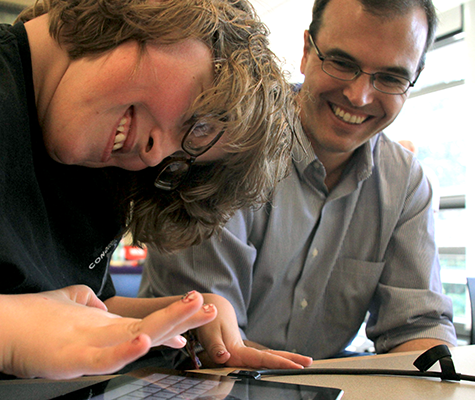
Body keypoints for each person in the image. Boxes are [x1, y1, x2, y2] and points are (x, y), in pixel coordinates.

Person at [0, 1, 312, 399]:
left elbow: (68, 308)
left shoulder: (95, 158)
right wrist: (3, 333)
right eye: (198, 123)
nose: (154, 154)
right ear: (158, 11)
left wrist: (185, 314)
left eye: (183, 157)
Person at [140, 0, 458, 364]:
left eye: (390, 77)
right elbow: (215, 344)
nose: (359, 96)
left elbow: (417, 330)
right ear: (307, 52)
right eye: (342, 63)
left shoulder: (406, 185)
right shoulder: (226, 141)